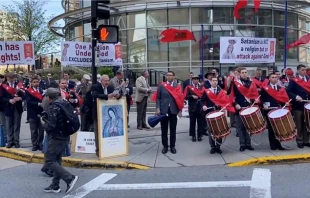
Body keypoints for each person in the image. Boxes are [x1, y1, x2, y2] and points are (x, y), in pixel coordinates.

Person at [42, 88, 78, 194]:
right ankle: (55, 185)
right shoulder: (64, 102)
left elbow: (51, 126)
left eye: (46, 96)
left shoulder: (53, 106)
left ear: (49, 97)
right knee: (56, 159)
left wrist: (43, 123)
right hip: (65, 135)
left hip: (57, 137)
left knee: (49, 159)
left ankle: (69, 178)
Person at [202, 76, 235, 154]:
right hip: (210, 113)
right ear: (210, 82)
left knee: (219, 130)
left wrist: (224, 107)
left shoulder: (222, 91)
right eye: (213, 80)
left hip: (219, 113)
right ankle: (212, 147)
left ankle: (218, 146)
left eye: (216, 80)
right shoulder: (207, 91)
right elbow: (202, 101)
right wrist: (203, 106)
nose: (215, 82)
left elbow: (226, 102)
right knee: (211, 131)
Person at [229, 67, 259, 152]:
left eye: (246, 72)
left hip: (249, 107)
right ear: (239, 73)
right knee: (241, 128)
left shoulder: (251, 83)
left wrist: (256, 100)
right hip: (240, 108)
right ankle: (242, 144)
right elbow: (232, 96)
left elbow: (255, 94)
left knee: (249, 127)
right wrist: (236, 104)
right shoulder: (235, 83)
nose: (244, 74)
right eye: (242, 72)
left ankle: (248, 144)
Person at [154, 71, 183, 154]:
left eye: (170, 75)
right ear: (166, 77)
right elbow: (158, 98)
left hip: (174, 111)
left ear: (174, 76)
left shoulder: (177, 86)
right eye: (167, 75)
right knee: (164, 130)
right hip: (163, 110)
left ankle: (172, 146)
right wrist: (158, 108)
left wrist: (180, 110)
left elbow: (180, 99)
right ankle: (165, 146)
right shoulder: (161, 86)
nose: (169, 76)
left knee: (173, 130)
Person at [92, 75, 120, 155]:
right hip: (98, 113)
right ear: (101, 81)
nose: (107, 82)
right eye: (105, 81)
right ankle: (98, 150)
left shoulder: (110, 87)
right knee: (97, 132)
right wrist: (107, 96)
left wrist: (118, 96)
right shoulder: (96, 87)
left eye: (108, 80)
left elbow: (117, 94)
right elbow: (95, 95)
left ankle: (109, 148)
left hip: (108, 113)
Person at [261, 73, 289, 150]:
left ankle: (278, 144)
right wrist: (264, 105)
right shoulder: (265, 88)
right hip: (269, 110)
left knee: (278, 128)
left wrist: (286, 103)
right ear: (269, 79)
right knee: (271, 128)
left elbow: (283, 99)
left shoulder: (280, 88)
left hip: (278, 110)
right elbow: (261, 99)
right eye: (272, 77)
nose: (274, 79)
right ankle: (272, 144)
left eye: (276, 77)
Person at [286, 64, 310, 148]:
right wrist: (296, 96)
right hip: (298, 105)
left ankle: (306, 140)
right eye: (303, 70)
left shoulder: (308, 79)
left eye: (305, 70)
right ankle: (299, 140)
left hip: (307, 105)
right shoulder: (294, 80)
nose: (304, 71)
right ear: (298, 70)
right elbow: (288, 92)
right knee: (299, 124)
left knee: (307, 123)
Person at [1, 72, 25, 148]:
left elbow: (25, 95)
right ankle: (10, 141)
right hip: (8, 108)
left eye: (13, 77)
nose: (12, 79)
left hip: (17, 108)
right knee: (9, 125)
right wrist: (9, 100)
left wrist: (20, 98)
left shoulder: (19, 85)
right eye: (10, 77)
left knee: (17, 125)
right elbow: (1, 98)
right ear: (7, 78)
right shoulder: (3, 86)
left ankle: (16, 141)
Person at [183, 75, 205, 142]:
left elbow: (204, 96)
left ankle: (199, 135)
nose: (196, 80)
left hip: (200, 106)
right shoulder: (189, 87)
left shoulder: (201, 87)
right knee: (192, 122)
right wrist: (191, 96)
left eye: (197, 79)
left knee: (200, 122)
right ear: (192, 80)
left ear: (198, 80)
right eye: (194, 79)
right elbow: (185, 96)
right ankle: (193, 135)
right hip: (192, 107)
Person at [25, 77, 44, 151]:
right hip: (32, 113)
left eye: (37, 82)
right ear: (31, 83)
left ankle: (40, 144)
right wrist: (38, 104)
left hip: (41, 113)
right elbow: (29, 101)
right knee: (33, 130)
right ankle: (34, 145)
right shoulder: (28, 91)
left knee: (41, 130)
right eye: (34, 82)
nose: (36, 83)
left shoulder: (42, 90)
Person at [0, 74, 6, 144]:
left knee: (3, 123)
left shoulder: (4, 86)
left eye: (1, 78)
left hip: (2, 107)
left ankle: (5, 137)